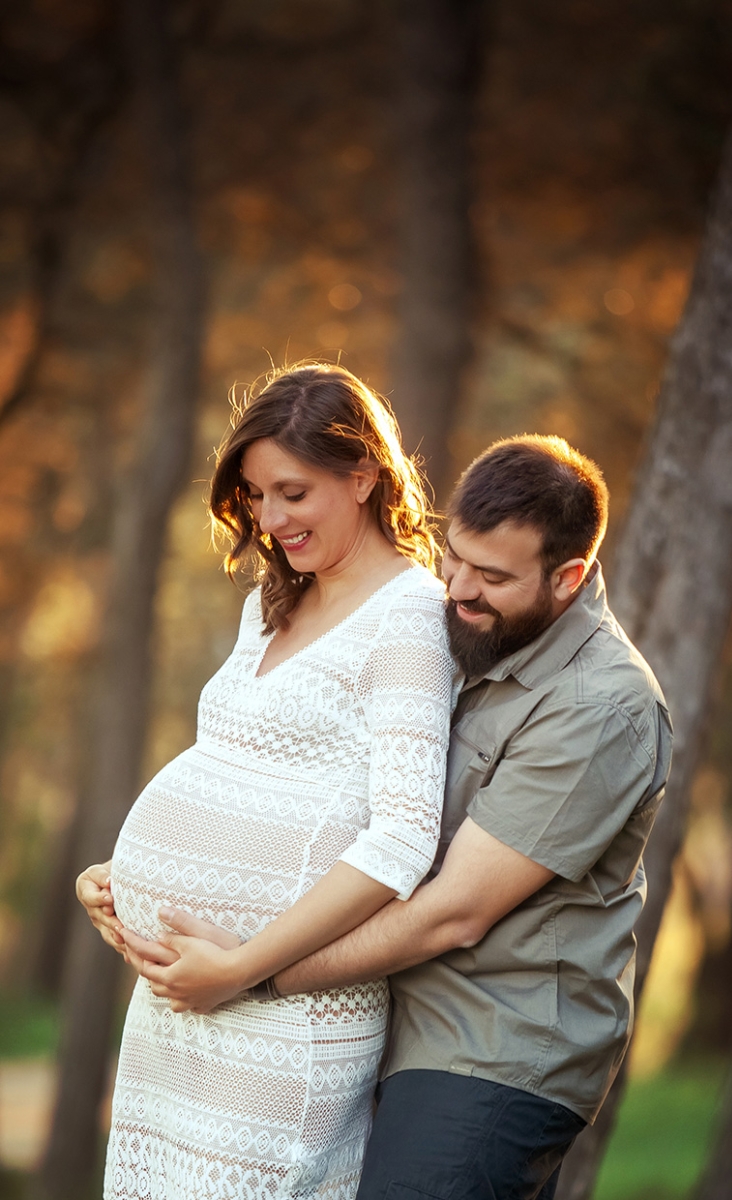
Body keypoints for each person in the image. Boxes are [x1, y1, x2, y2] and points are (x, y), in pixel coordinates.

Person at [84, 434, 673, 1200]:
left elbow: (453, 914)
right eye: (454, 555)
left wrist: (253, 972)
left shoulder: (599, 707)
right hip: (393, 1018)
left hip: (488, 1049)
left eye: (491, 576)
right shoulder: (475, 630)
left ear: (569, 578)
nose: (456, 586)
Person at [77, 363, 455, 1200]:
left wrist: (242, 967)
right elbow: (237, 766)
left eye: (293, 492)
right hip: (181, 1010)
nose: (270, 519)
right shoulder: (272, 603)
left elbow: (401, 838)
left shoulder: (409, 618)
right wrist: (122, 875)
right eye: (254, 496)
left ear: (362, 477)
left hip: (281, 1020)